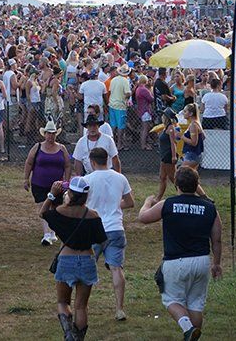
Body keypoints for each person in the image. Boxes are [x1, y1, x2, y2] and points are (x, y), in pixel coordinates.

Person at [137, 167, 223, 341]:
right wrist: (216, 263)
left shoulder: (168, 204)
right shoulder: (210, 208)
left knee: (172, 300)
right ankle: (193, 335)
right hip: (201, 261)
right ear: (197, 184)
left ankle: (188, 329)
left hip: (175, 261)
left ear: (176, 184)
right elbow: (217, 239)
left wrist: (147, 202)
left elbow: (143, 218)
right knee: (195, 304)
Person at [40, 177, 107, 340]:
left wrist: (51, 194)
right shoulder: (93, 215)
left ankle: (68, 334)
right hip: (87, 259)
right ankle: (79, 338)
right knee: (81, 306)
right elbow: (103, 240)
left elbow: (42, 213)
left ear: (69, 193)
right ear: (86, 196)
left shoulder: (60, 212)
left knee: (63, 302)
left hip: (66, 259)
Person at [83, 147, 135, 321]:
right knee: (116, 268)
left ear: (92, 161)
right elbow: (130, 202)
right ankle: (120, 309)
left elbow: (79, 205)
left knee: (87, 269)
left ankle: (83, 307)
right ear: (108, 160)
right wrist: (113, 206)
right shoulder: (120, 178)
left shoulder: (86, 180)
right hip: (115, 228)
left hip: (93, 229)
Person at [24, 120, 72, 246]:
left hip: (57, 186)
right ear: (44, 134)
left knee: (55, 209)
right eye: (48, 133)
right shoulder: (37, 147)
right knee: (43, 207)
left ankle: (52, 233)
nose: (51, 136)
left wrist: (66, 182)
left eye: (53, 133)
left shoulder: (62, 148)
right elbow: (29, 162)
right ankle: (47, 234)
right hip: (39, 184)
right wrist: (26, 179)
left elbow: (67, 165)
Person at [108, 65, 132, 149]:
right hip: (120, 105)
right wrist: (127, 97)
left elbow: (110, 91)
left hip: (112, 104)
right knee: (121, 126)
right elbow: (128, 93)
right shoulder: (125, 81)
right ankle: (119, 144)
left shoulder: (113, 80)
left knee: (113, 125)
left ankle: (112, 143)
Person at [157, 108, 179, 201]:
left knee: (173, 177)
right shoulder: (166, 128)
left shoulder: (170, 128)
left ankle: (181, 194)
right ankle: (158, 197)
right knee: (162, 177)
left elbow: (173, 143)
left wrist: (174, 156)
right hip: (164, 155)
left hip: (168, 155)